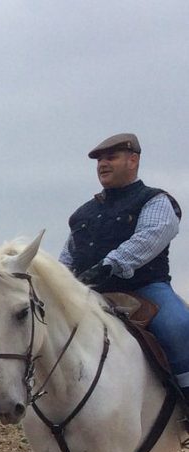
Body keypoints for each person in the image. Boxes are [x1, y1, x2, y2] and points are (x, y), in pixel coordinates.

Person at [60, 133, 189, 398]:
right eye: (99, 160)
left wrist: (110, 265)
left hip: (145, 290)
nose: (102, 165)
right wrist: (60, 279)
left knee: (177, 326)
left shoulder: (155, 200)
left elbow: (150, 237)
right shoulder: (83, 213)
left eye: (111, 157)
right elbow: (68, 254)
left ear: (133, 160)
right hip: (89, 292)